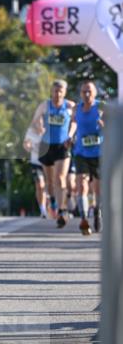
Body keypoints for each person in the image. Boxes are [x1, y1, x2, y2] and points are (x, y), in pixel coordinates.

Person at [30, 79, 75, 229]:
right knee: (50, 183)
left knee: (60, 178)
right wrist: (40, 127)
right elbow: (35, 119)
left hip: (62, 145)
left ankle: (62, 211)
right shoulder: (45, 105)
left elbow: (76, 120)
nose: (58, 94)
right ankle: (54, 201)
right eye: (55, 91)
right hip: (46, 146)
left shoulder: (69, 106)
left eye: (60, 91)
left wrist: (71, 134)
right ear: (51, 91)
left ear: (65, 92)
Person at [68, 80, 104, 236]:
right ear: (80, 93)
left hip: (99, 153)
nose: (87, 94)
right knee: (81, 184)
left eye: (89, 91)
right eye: (84, 91)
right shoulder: (77, 108)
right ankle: (83, 218)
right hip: (81, 152)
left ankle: (97, 210)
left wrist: (105, 125)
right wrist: (69, 136)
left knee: (97, 188)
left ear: (95, 93)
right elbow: (74, 124)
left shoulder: (101, 107)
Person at [22, 119, 49, 217]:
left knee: (48, 186)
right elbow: (26, 143)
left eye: (41, 122)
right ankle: (42, 209)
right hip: (35, 162)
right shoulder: (30, 132)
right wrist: (28, 146)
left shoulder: (48, 131)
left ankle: (50, 203)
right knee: (40, 185)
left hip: (47, 163)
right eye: (37, 123)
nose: (39, 124)